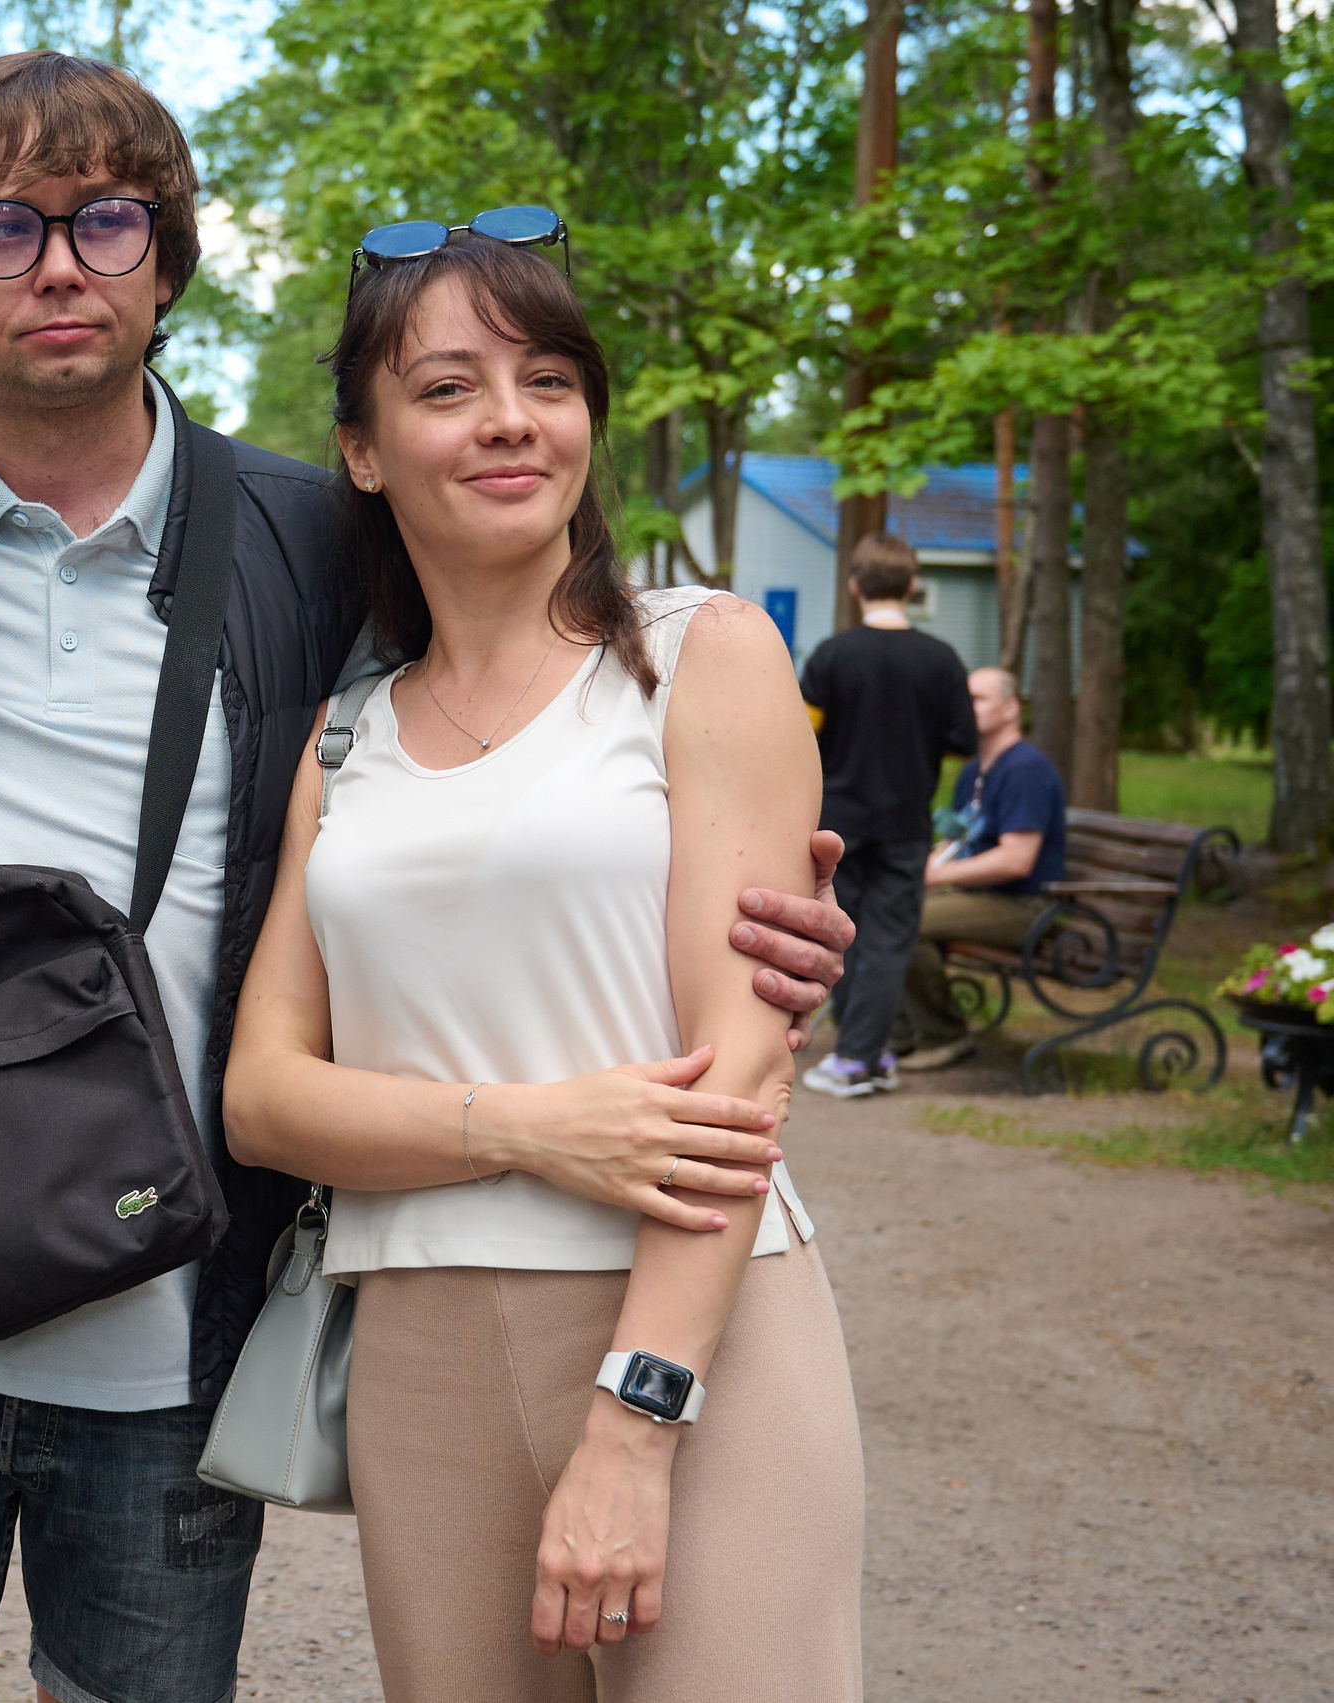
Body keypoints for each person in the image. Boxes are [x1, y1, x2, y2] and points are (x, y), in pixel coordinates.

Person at [0, 53, 856, 1703]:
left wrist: (764, 908)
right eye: (0, 224)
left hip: (176, 1302)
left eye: (107, 219)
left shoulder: (305, 540)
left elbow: (532, 712)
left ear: (167, 257)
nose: (60, 261)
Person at [224, 230, 862, 1701]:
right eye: (449, 385)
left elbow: (738, 1069)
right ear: (364, 452)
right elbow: (264, 1095)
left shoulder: (704, 656)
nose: (513, 416)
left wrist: (640, 1421)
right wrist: (522, 1122)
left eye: (550, 377)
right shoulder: (344, 738)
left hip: (696, 1329)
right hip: (415, 1350)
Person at [796, 534, 978, 1098]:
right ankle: (862, 1053)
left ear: (854, 587)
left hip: (839, 822)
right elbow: (965, 739)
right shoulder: (942, 660)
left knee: (842, 934)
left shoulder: (831, 654)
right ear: (913, 585)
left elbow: (803, 735)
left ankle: (858, 1056)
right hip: (906, 821)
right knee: (891, 937)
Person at [895, 665, 1070, 1068]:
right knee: (888, 907)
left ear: (1010, 709)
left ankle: (944, 1036)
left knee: (904, 919)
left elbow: (1016, 859)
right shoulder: (975, 771)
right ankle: (901, 1032)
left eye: (979, 699)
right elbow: (957, 839)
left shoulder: (1025, 769)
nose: (966, 707)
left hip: (1027, 907)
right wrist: (918, 868)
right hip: (979, 898)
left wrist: (935, 876)